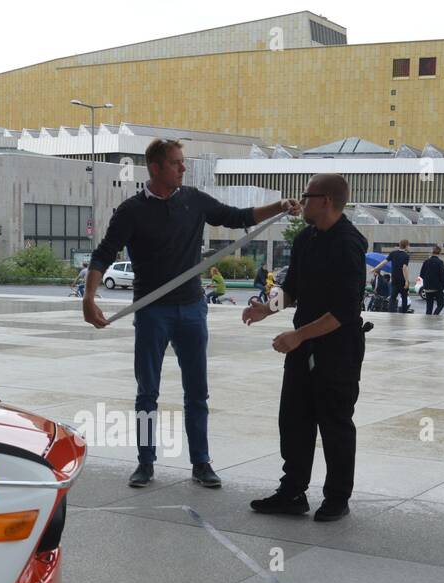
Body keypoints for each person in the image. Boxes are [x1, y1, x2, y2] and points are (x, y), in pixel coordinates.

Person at [84, 138, 298, 489]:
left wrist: (279, 206)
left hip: (192, 309)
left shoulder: (194, 201)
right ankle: (145, 463)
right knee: (147, 392)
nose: (183, 168)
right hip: (152, 311)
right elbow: (104, 253)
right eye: (176, 163)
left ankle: (201, 463)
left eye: (183, 162)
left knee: (197, 391)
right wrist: (89, 297)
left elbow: (237, 217)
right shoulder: (131, 211)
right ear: (155, 168)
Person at [242, 173, 366, 522]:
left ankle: (337, 497)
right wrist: (267, 309)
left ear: (325, 200)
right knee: (294, 420)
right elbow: (292, 287)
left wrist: (298, 336)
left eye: (306, 195)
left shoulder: (349, 243)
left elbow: (344, 311)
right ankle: (292, 492)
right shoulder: (306, 239)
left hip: (337, 350)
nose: (301, 200)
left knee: (335, 424)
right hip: (304, 347)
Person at [370, 239, 411, 313]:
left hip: (394, 279)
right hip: (402, 280)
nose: (409, 247)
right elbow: (404, 268)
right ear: (406, 246)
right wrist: (406, 281)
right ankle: (404, 314)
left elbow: (383, 262)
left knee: (393, 298)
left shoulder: (393, 253)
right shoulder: (406, 256)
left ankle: (391, 313)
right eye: (409, 245)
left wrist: (375, 268)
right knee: (404, 297)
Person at [419, 245, 444, 315]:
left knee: (429, 306)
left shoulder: (426, 262)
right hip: (437, 288)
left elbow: (421, 274)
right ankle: (434, 316)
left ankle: (428, 320)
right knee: (440, 305)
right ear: (440, 252)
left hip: (427, 287)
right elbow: (442, 276)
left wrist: (427, 280)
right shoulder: (440, 262)